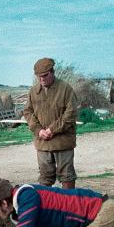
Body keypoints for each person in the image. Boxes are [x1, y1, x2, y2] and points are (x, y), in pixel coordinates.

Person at [22, 57, 78, 189]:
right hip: (43, 143)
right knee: (45, 178)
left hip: (63, 142)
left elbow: (71, 114)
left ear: (53, 72)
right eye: (38, 77)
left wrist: (52, 129)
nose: (41, 79)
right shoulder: (33, 91)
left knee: (67, 176)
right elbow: (28, 112)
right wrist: (38, 130)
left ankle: (68, 205)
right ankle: (47, 207)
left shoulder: (65, 89)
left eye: (45, 76)